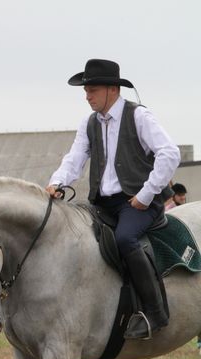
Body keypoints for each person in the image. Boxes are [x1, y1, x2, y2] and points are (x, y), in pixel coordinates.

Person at [46, 59, 181, 340]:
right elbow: (75, 159)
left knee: (124, 239)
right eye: (86, 91)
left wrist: (146, 194)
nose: (87, 96)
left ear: (112, 90)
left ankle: (155, 314)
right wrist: (57, 182)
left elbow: (170, 153)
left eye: (92, 90)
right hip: (102, 203)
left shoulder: (139, 116)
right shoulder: (89, 123)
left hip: (138, 203)